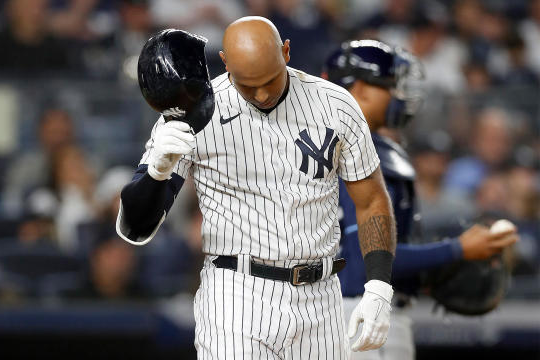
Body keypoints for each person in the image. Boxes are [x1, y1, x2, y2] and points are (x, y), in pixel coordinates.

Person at [119, 17, 398, 358]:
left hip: (321, 297)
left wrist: (380, 286)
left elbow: (371, 200)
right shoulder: (194, 111)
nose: (263, 94)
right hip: (237, 293)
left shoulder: (335, 104)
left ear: (286, 51)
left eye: (270, 80)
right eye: (248, 85)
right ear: (225, 62)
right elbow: (135, 228)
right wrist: (157, 172)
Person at [323, 40, 519, 360]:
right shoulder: (354, 152)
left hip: (353, 312)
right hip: (360, 315)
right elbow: (367, 260)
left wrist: (426, 271)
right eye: (391, 85)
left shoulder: (335, 146)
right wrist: (458, 250)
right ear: (359, 88)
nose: (401, 96)